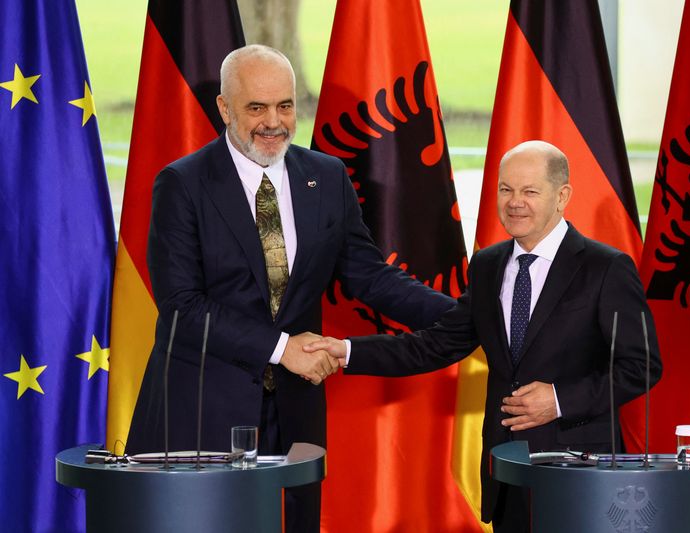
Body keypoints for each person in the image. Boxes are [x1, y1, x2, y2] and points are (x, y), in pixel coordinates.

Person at [125, 45, 454, 532]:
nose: (273, 122)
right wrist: (282, 349)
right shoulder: (183, 184)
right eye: (256, 108)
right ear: (224, 108)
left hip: (296, 410)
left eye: (285, 105)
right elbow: (182, 308)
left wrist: (464, 313)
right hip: (203, 411)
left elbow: (369, 275)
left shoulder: (326, 175)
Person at [305, 140, 663, 532]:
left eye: (529, 191)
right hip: (507, 471)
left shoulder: (606, 268)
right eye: (506, 189)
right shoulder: (488, 265)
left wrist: (559, 400)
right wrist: (346, 351)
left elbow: (642, 366)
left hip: (580, 471)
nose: (515, 202)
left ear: (562, 196)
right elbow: (434, 345)